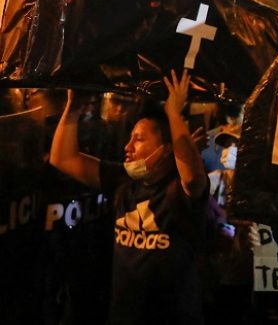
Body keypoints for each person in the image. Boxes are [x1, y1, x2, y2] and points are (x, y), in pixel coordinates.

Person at [49, 70, 209, 324]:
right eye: (130, 138)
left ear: (165, 150)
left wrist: (172, 113)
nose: (127, 147)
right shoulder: (124, 182)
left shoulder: (179, 190)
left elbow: (192, 177)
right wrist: (74, 106)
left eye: (139, 139)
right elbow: (63, 159)